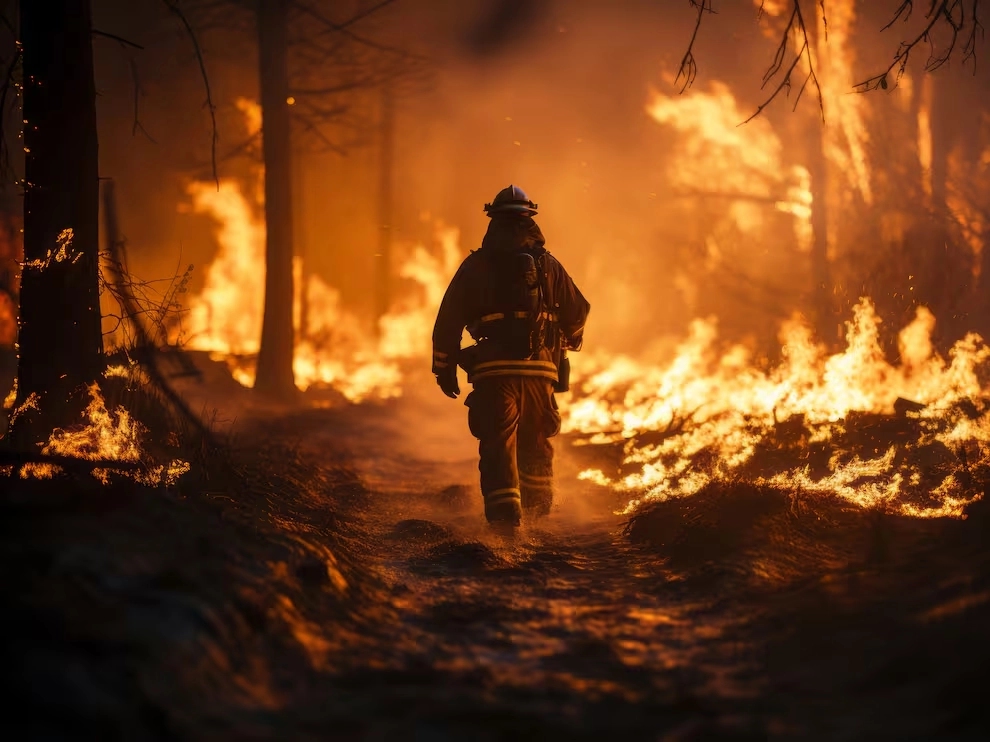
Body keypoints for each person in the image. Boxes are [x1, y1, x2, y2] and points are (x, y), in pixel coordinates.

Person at [432, 185, 590, 526]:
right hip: (540, 372)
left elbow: (448, 320)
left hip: (493, 373)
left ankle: (505, 525)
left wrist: (443, 367)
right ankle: (538, 517)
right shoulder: (550, 266)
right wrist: (565, 345)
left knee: (497, 444)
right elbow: (577, 312)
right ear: (531, 220)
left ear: (492, 221)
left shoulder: (475, 266)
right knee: (535, 441)